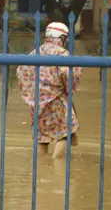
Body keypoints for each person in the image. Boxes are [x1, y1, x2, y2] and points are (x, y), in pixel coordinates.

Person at [16, 22, 82, 159]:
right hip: (57, 100)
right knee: (67, 131)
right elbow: (71, 76)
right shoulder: (62, 54)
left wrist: (31, 96)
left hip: (37, 102)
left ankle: (42, 166)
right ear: (62, 38)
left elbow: (21, 72)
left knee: (42, 136)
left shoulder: (35, 52)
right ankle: (55, 163)